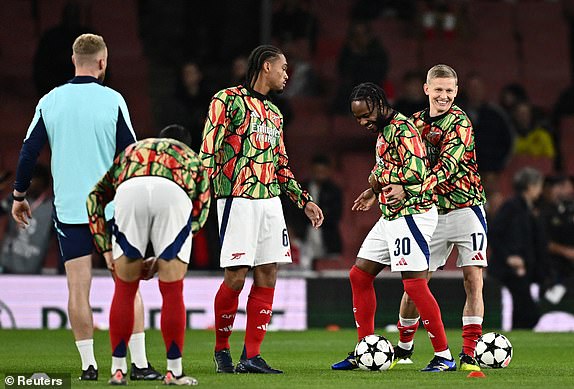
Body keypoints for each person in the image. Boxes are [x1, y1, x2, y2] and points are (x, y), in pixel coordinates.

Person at [11, 33, 160, 381]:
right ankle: (136, 364)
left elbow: (28, 152)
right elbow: (131, 155)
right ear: (102, 62)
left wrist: (19, 197)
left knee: (78, 288)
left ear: (74, 60)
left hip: (71, 210)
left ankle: (88, 367)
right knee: (125, 285)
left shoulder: (51, 100)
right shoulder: (113, 101)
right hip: (110, 212)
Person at [200, 44, 324, 374]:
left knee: (269, 272)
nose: (287, 75)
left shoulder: (275, 113)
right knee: (236, 276)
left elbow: (281, 165)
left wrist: (304, 201)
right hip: (236, 197)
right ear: (266, 66)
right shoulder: (226, 100)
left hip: (270, 201)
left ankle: (251, 356)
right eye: (283, 68)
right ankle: (222, 350)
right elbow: (208, 151)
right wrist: (198, 192)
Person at [331, 82, 455, 373]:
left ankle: (444, 355)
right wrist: (374, 190)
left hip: (412, 215)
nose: (362, 122)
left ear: (378, 104)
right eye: (357, 118)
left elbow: (416, 170)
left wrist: (382, 178)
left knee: (414, 284)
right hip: (391, 215)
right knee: (359, 275)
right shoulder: (385, 132)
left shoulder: (403, 129)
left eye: (365, 116)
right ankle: (365, 349)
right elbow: (390, 166)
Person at [87, 125, 211, 385]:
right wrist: (167, 256)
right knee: (173, 290)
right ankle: (174, 372)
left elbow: (95, 197)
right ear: (184, 143)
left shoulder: (132, 151)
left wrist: (106, 248)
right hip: (174, 194)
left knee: (125, 288)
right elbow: (200, 212)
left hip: (130, 191)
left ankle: (118, 369)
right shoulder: (191, 158)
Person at [383, 65, 488, 371]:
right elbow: (395, 159)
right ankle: (404, 348)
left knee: (473, 279)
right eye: (439, 90)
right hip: (430, 213)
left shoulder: (461, 122)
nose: (444, 96)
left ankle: (468, 353)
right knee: (416, 283)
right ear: (427, 89)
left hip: (467, 208)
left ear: (456, 92)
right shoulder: (412, 123)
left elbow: (448, 167)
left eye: (450, 91)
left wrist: (408, 188)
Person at [489, 167, 546, 329]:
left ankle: (517, 335)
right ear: (530, 186)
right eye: (538, 186)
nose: (540, 191)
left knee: (522, 309)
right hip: (510, 269)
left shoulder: (527, 208)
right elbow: (494, 233)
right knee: (529, 312)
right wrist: (509, 257)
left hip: (523, 268)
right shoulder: (512, 206)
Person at [0, 164, 53, 274]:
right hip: (6, 263)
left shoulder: (51, 208)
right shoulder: (14, 198)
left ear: (43, 183)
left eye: (31, 179)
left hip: (31, 268)